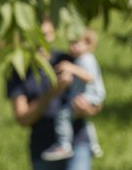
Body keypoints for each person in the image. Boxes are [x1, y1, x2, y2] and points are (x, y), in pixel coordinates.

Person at [7, 19, 106, 170]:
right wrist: (53, 92)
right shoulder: (19, 69)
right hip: (43, 147)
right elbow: (22, 118)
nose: (43, 39)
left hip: (77, 141)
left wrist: (88, 109)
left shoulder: (67, 60)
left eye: (48, 33)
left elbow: (95, 98)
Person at [43, 28, 106, 161]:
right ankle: (93, 145)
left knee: (63, 115)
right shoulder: (80, 59)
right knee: (80, 120)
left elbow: (89, 77)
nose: (71, 47)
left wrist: (71, 68)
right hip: (87, 95)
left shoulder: (86, 59)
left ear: (88, 44)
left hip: (91, 95)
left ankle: (64, 144)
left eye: (75, 43)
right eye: (70, 43)